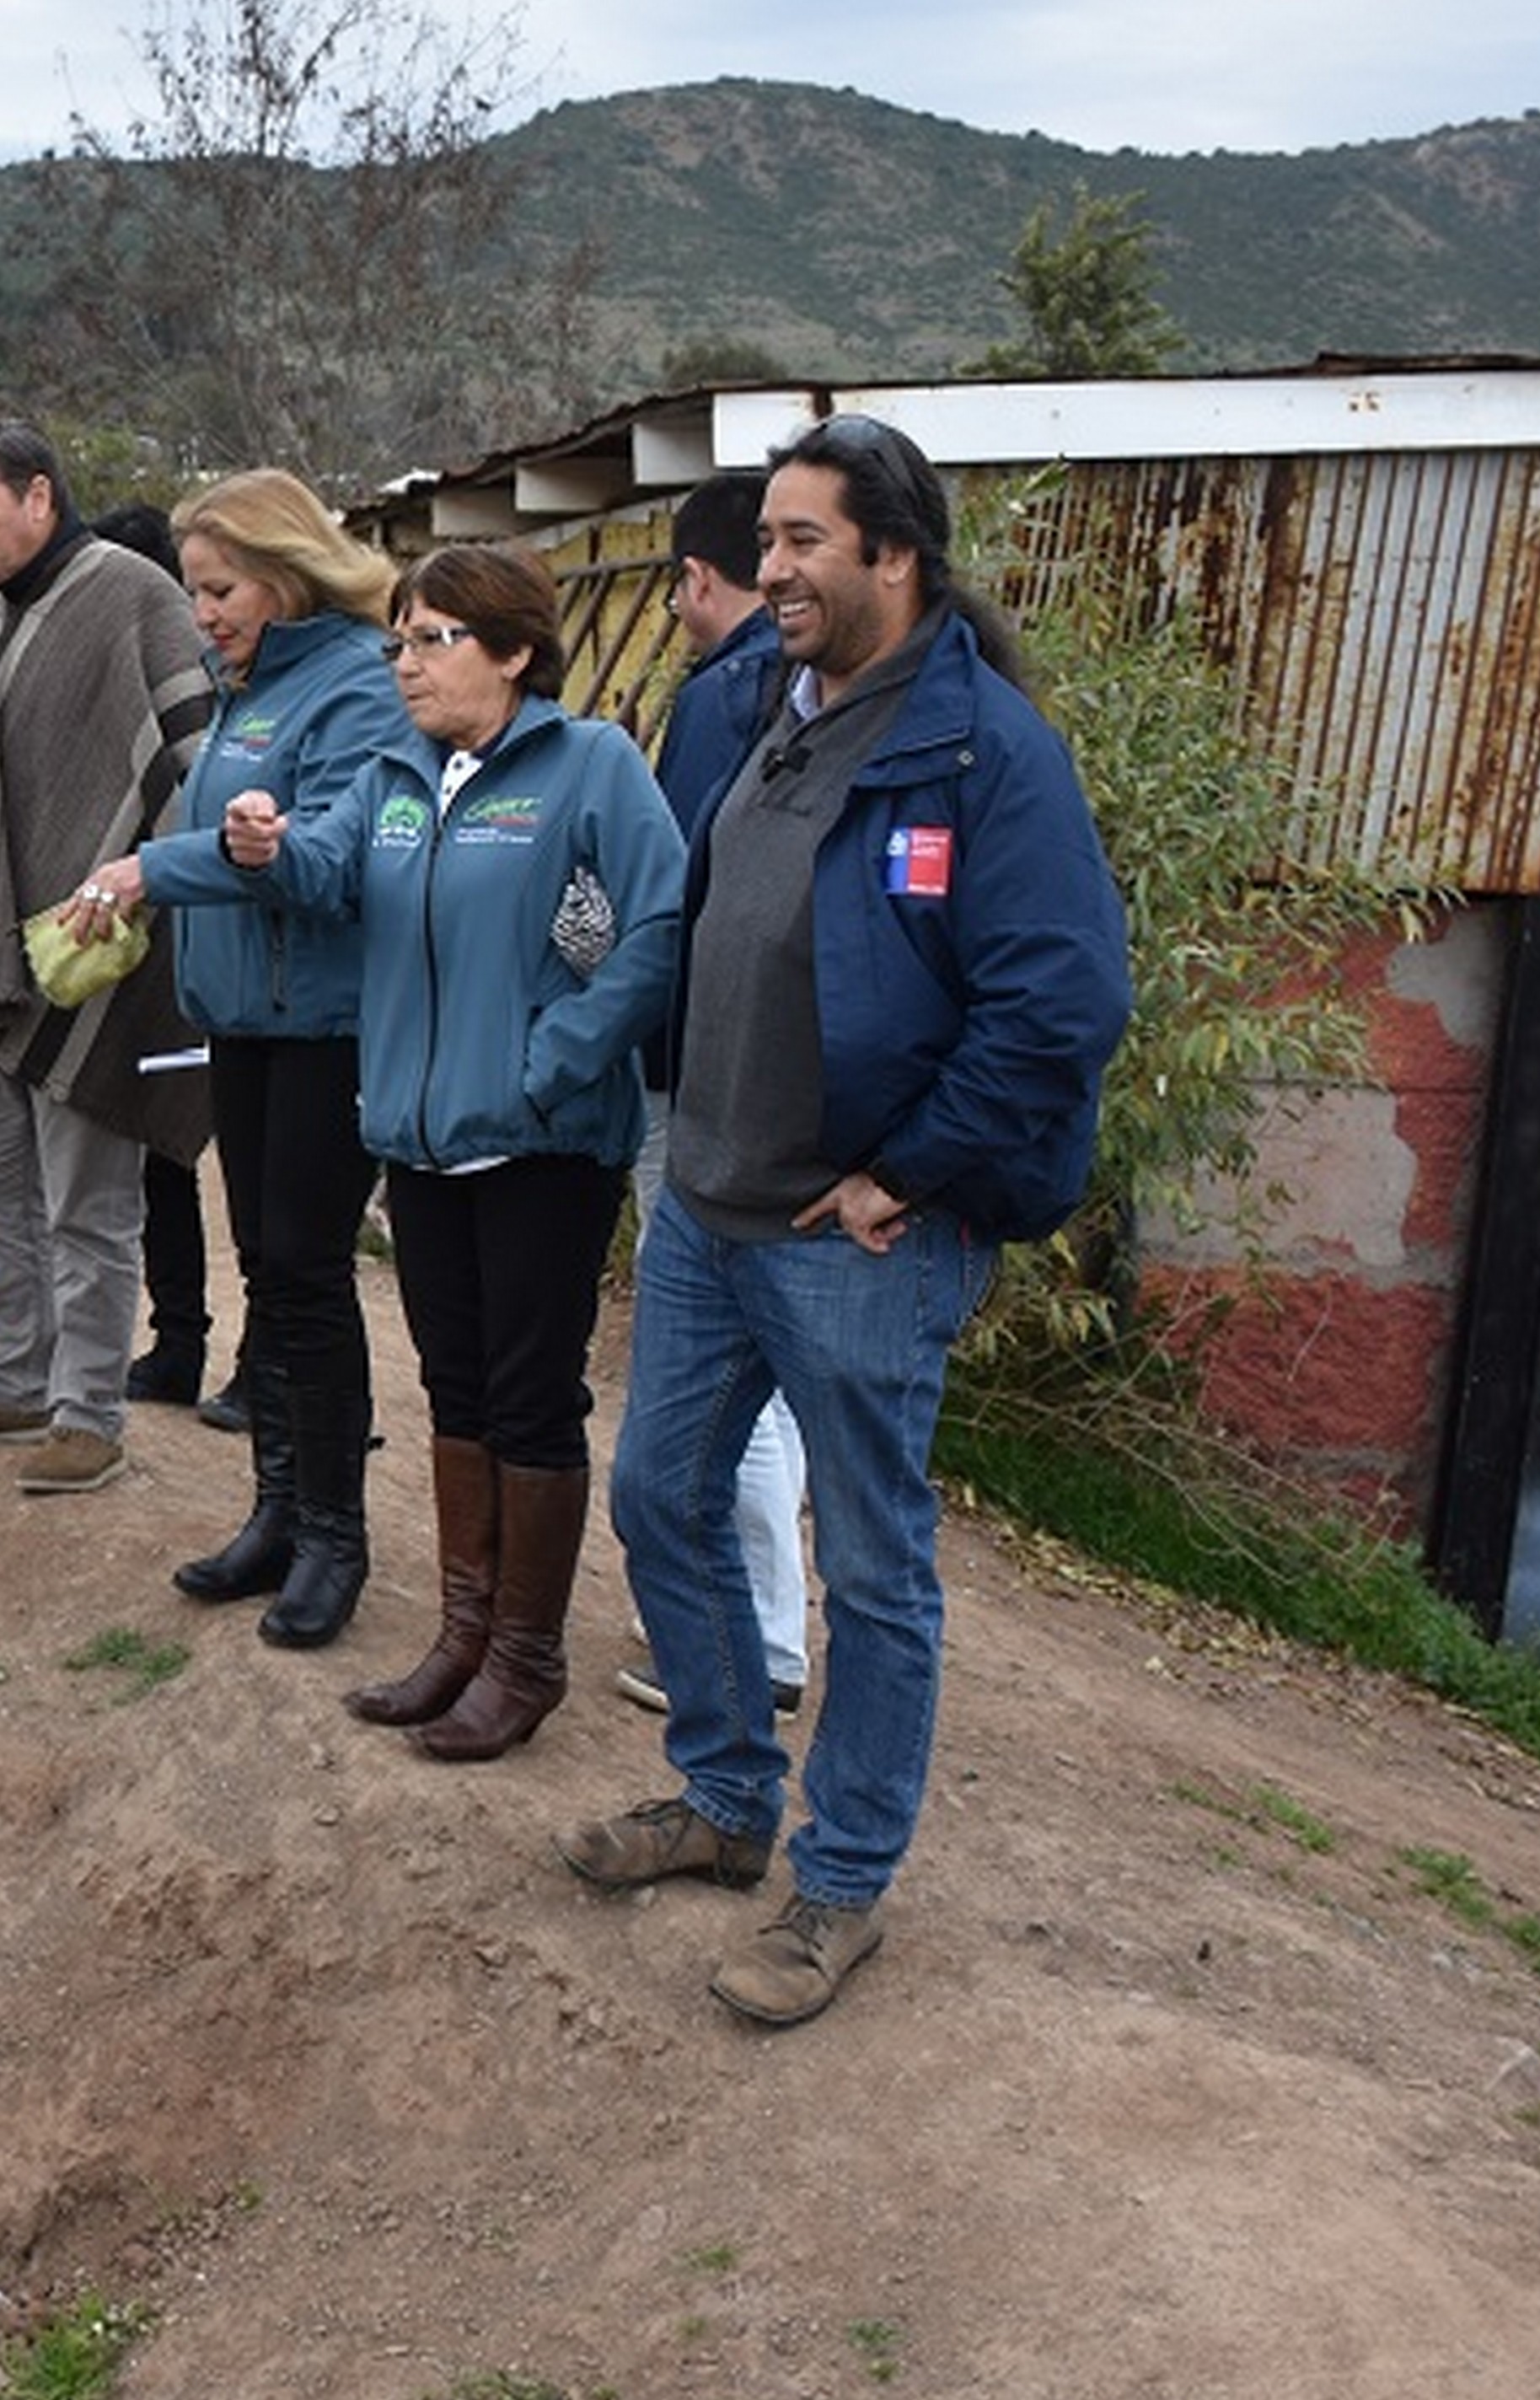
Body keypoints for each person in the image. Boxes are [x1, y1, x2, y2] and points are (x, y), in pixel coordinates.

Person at [557, 413, 1130, 2028]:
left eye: (808, 542)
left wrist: (908, 1171)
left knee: (874, 1570)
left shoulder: (984, 752)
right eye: (772, 541)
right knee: (660, 1492)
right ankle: (731, 1797)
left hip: (858, 1234)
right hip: (711, 1204)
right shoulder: (754, 699)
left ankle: (840, 1882)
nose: (776, 567)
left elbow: (1062, 1007)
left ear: (898, 554)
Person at [228, 543, 684, 1755]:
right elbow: (333, 877)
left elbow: (656, 924)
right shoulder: (396, 771)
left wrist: (557, 1060)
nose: (407, 663)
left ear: (515, 650)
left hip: (541, 1148)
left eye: (434, 639)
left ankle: (525, 1659)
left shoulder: (588, 767)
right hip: (422, 1141)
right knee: (456, 1387)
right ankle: (463, 1634)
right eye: (401, 640)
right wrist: (266, 845)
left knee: (533, 1399)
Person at [63, 470, 407, 1646]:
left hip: (324, 1025)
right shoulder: (243, 686)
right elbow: (230, 840)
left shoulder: (359, 686)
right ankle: (276, 1510)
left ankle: (335, 1537)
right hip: (247, 1019)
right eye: (196, 591)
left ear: (284, 572)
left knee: (309, 1272)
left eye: (217, 589)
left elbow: (330, 864)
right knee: (266, 1265)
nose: (200, 612)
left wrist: (170, 867)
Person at [0, 421, 217, 1498]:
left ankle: (87, 1411)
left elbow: (190, 764)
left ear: (36, 495)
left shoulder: (130, 595)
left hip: (88, 959)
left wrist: (141, 880)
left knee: (86, 1201)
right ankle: (8, 1376)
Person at [615, 470, 816, 1722]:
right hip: (794, 1084)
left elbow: (678, 891)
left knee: (714, 1357)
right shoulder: (815, 693)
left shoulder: (726, 695)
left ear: (698, 578)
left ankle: (759, 1641)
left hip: (703, 1080)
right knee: (776, 1368)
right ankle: (778, 1620)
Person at [89, 502, 221, 1419]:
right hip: (158, 946)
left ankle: (237, 1356)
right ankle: (179, 1346)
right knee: (160, 1146)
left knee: (215, 1156)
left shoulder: (206, 682)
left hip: (213, 949)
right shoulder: (134, 672)